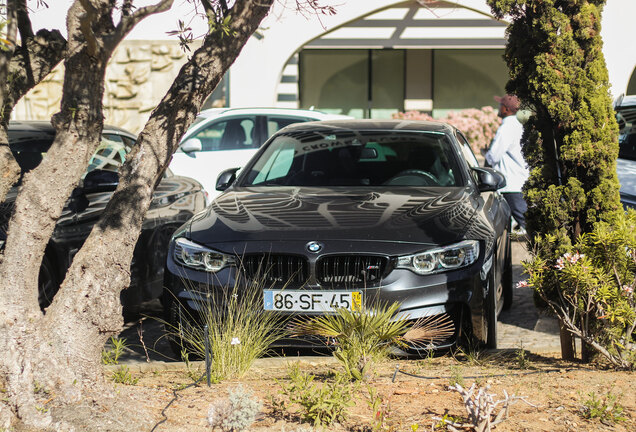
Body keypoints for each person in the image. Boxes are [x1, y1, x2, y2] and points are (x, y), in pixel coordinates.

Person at [485, 94, 529, 234]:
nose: (498, 108)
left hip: (511, 184)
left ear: (506, 109)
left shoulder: (507, 125)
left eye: (500, 105)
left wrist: (485, 154)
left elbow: (494, 155)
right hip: (518, 181)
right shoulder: (518, 124)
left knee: (527, 224)